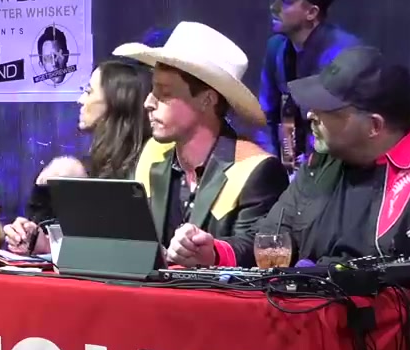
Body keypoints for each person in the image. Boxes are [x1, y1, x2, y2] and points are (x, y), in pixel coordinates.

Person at [216, 47, 410, 350]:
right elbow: (271, 241)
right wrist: (215, 252)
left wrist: (341, 307)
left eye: (328, 109)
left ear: (374, 125)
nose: (310, 115)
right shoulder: (322, 161)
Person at [113, 21, 288, 267]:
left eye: (164, 93)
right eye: (153, 90)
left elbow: (259, 243)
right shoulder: (152, 155)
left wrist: (213, 253)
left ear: (207, 100)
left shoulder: (254, 169)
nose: (148, 103)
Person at [2, 58, 154, 254]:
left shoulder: (146, 170)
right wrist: (33, 237)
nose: (80, 100)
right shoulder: (84, 168)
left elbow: (111, 251)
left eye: (89, 92)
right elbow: (58, 244)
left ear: (117, 102)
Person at [257, 0, 361, 167]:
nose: (274, 7)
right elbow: (267, 117)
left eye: (285, 1)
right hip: (293, 168)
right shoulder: (276, 48)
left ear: (312, 12)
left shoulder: (344, 53)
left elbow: (350, 131)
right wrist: (273, 168)